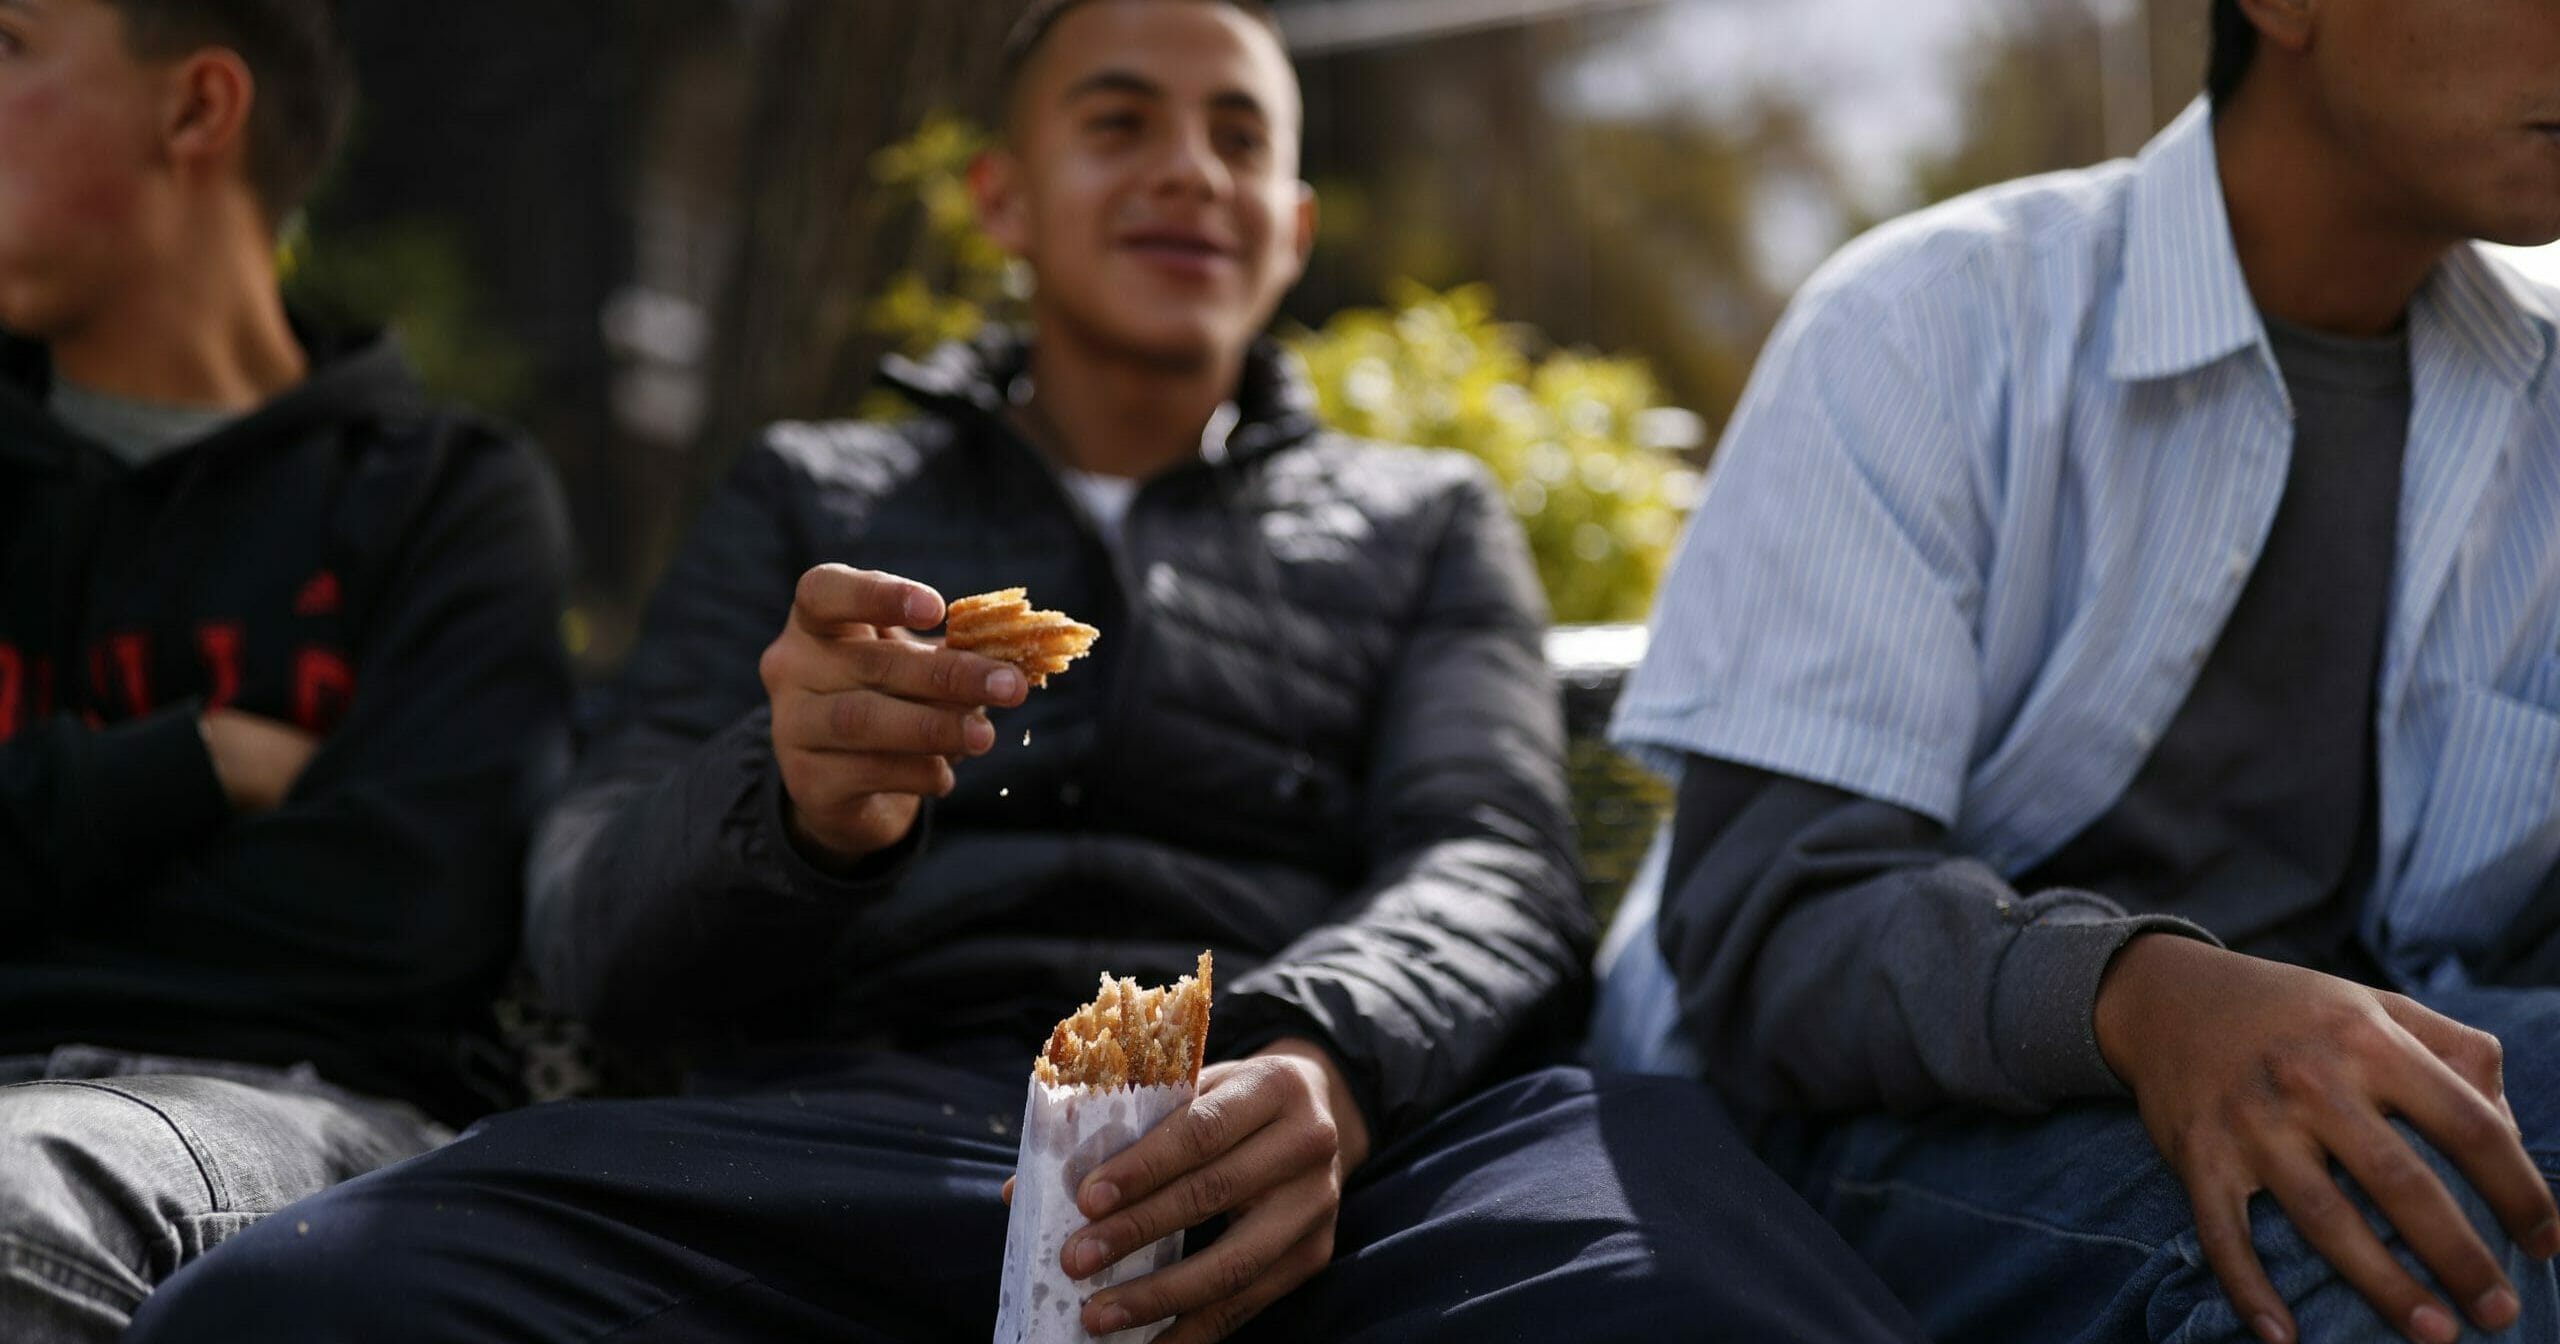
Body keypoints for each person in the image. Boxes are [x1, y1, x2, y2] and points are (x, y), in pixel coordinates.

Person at [123, 1, 1925, 1341]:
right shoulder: (814, 496)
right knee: (304, 1308)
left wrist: (1322, 1053)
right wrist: (795, 808)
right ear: (1002, 195)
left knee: (1709, 1284)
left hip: (1338, 1156)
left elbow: (1494, 856)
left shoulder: (1423, 518)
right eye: (1120, 120)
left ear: (1291, 228)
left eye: (1238, 136)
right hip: (847, 1136)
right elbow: (590, 905)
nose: (1186, 171)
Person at [1591, 0, 2560, 1340]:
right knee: (2403, 1239)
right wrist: (2152, 1000)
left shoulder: (2544, 391)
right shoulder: (1927, 326)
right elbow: (1771, 929)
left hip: (2376, 1048)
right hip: (1889, 1119)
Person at [0, 0, 573, 1339]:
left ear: (197, 109)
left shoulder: (448, 498)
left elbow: (404, 923)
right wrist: (188, 763)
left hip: (290, 1113)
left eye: (8, 44)